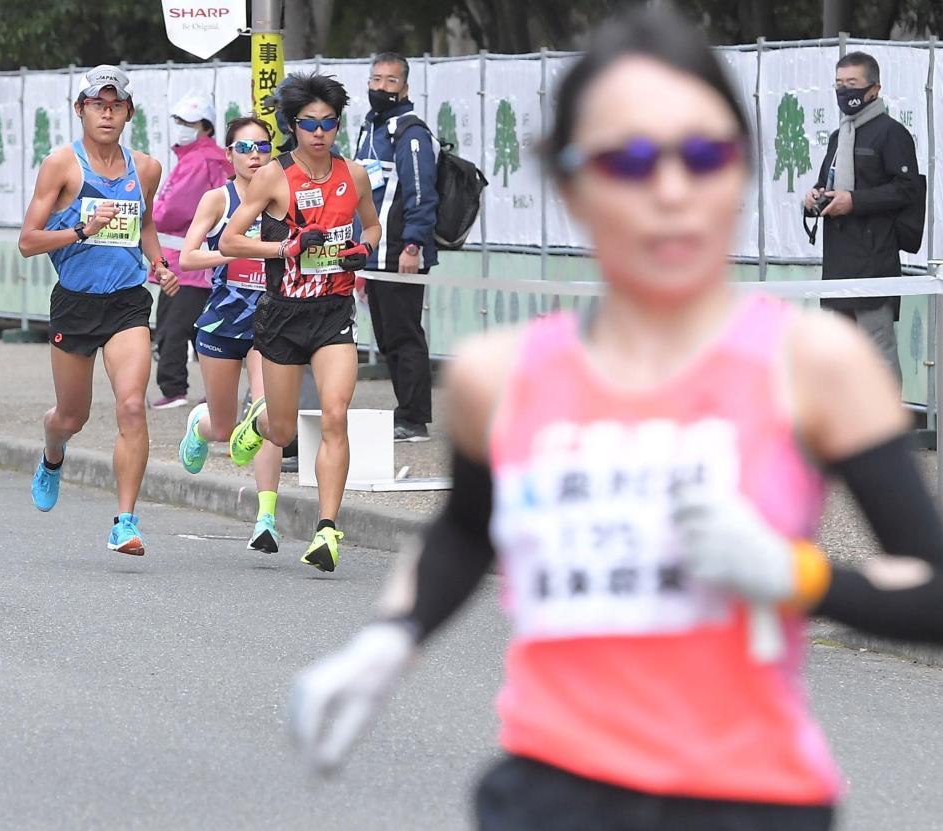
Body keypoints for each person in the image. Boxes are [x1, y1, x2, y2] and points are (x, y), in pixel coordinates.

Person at [288, 11, 943, 830]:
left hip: (747, 799)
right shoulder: (505, 375)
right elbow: (464, 533)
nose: (671, 189)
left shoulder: (812, 365)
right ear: (571, 183)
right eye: (629, 159)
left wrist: (799, 575)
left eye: (704, 155)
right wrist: (387, 640)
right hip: (551, 792)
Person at [220, 73, 382, 573]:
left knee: (335, 415)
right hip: (283, 313)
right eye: (309, 123)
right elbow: (229, 242)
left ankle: (327, 528)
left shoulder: (352, 174)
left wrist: (365, 248)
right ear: (293, 126)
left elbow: (373, 223)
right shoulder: (273, 175)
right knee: (284, 430)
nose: (319, 132)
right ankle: (258, 418)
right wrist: (284, 247)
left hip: (333, 309)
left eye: (329, 123)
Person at [19, 65, 178, 555]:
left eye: (115, 105)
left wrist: (158, 262)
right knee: (71, 416)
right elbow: (28, 242)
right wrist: (81, 232)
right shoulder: (62, 165)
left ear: (128, 113)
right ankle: (52, 454)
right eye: (97, 104)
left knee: (132, 405)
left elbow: (143, 221)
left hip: (127, 300)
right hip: (75, 302)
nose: (106, 113)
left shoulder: (145, 168)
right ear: (80, 110)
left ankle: (125, 522)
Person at [177, 116, 283, 553]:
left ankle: (266, 517)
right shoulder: (217, 199)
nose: (254, 155)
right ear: (230, 155)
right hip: (223, 320)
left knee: (269, 414)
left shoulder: (283, 196)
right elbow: (186, 257)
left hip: (272, 322)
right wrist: (233, 250)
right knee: (224, 429)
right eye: (244, 148)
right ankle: (198, 428)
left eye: (262, 147)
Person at [803, 51, 921, 386]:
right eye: (838, 84)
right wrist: (814, 197)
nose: (844, 91)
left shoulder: (891, 133)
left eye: (852, 84)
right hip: (838, 260)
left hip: (875, 259)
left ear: (874, 88)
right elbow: (829, 180)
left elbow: (907, 189)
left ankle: (889, 431)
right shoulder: (840, 135)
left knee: (876, 351)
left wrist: (854, 202)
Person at [354, 51, 438, 443]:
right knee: (388, 337)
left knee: (404, 335)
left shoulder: (410, 132)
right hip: (371, 254)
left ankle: (414, 417)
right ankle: (405, 411)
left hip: (399, 253)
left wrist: (413, 245)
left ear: (405, 87)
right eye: (376, 79)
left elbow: (421, 192)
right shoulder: (370, 128)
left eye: (390, 81)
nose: (381, 87)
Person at [151, 92, 234, 409]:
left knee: (173, 327)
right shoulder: (209, 159)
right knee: (206, 326)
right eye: (180, 121)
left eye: (189, 122)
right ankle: (214, 391)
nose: (182, 127)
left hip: (188, 265)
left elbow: (169, 210)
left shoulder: (198, 161)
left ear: (206, 126)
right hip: (205, 262)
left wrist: (153, 208)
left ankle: (173, 389)